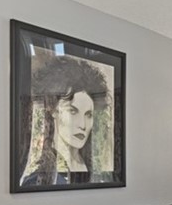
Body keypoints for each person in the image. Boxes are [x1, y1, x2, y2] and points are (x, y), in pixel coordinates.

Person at [20, 56, 112, 187]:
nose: (83, 125)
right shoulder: (37, 180)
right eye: (73, 111)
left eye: (88, 115)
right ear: (53, 110)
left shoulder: (95, 171)